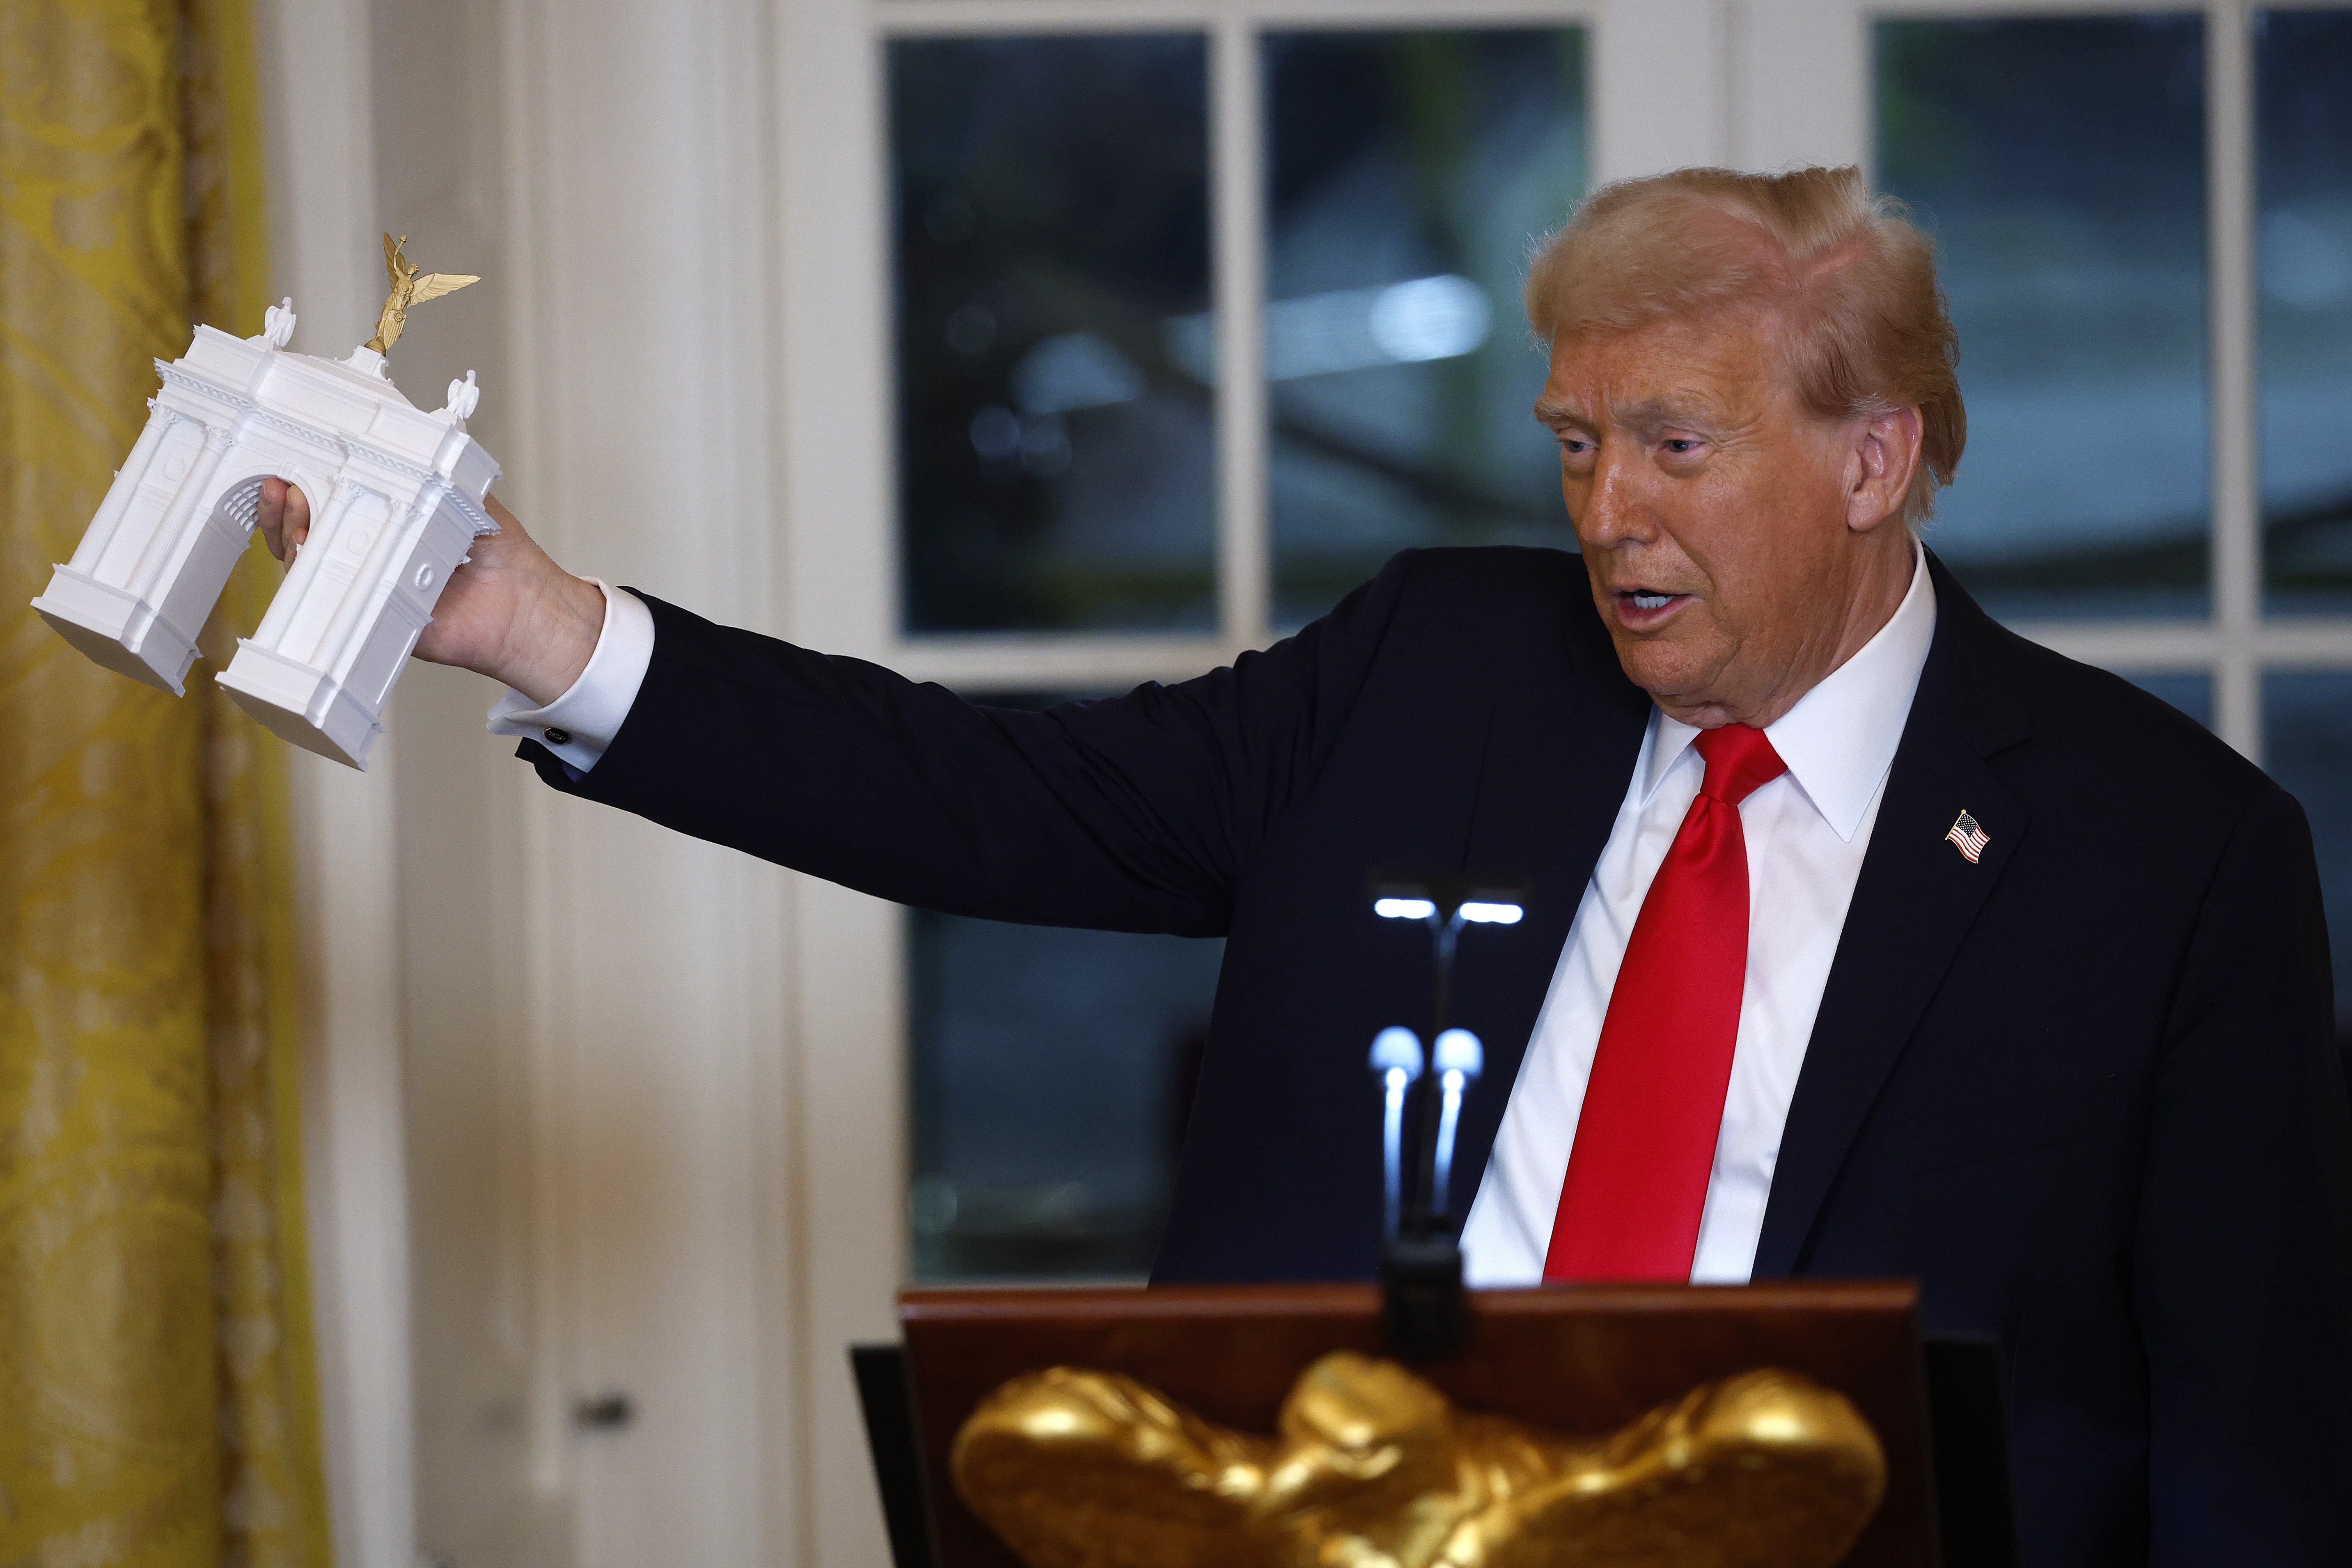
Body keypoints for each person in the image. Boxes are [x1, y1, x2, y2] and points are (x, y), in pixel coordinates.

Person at [257, 166, 2351, 1564]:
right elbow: (994, 795)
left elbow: (2248, 1462)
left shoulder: (2165, 860)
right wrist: (539, 627)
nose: (1607, 513)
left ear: (1872, 453)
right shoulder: (1436, 670)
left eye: (1677, 447)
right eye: (1573, 441)